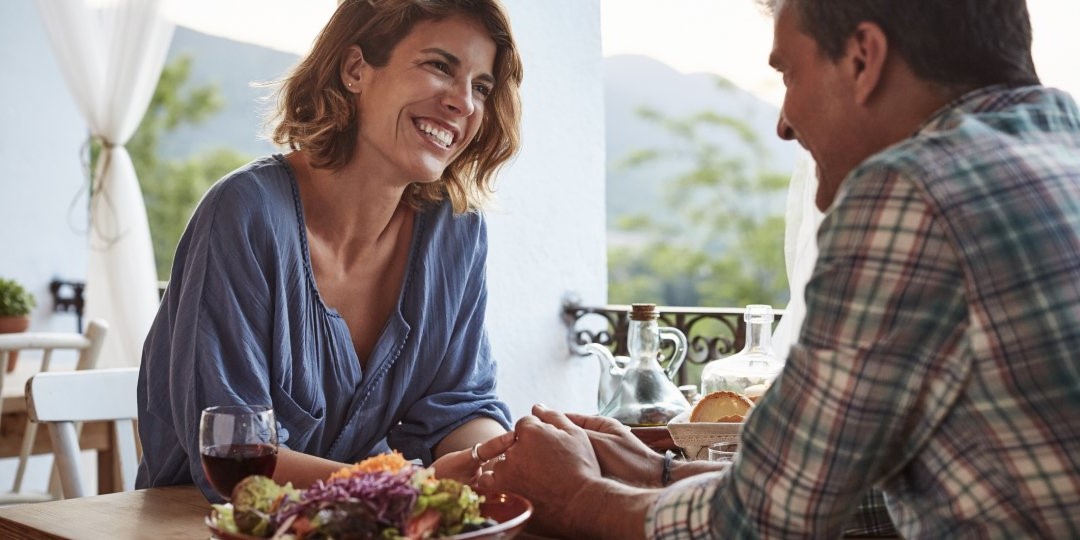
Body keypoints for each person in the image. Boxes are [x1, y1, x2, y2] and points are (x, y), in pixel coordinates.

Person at [489, 0, 1080, 537]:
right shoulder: (1058, 150)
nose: (783, 122)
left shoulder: (913, 190)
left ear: (862, 58)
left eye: (787, 73)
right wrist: (661, 469)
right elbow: (879, 481)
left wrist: (575, 497)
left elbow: (761, 525)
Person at [136, 0, 523, 501]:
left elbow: (460, 405)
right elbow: (234, 460)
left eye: (481, 87)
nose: (463, 103)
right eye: (439, 66)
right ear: (356, 69)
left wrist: (500, 461)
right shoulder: (244, 214)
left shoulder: (455, 231)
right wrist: (411, 486)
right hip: (199, 528)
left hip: (355, 523)